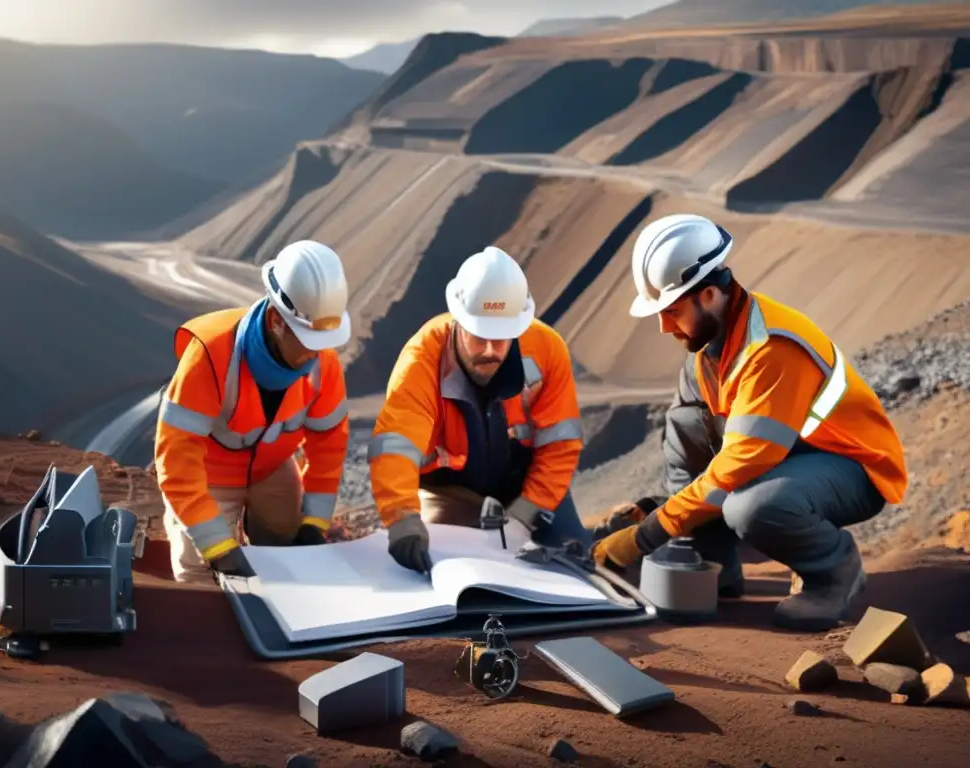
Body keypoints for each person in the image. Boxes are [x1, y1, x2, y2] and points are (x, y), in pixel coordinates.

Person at [591, 213, 908, 631]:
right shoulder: (708, 348)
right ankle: (714, 562)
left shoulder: (771, 348)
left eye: (672, 311)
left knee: (752, 507)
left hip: (851, 466)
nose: (664, 327)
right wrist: (666, 516)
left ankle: (833, 572)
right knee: (686, 424)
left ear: (708, 295)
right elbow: (694, 448)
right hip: (789, 457)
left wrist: (648, 534)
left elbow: (738, 466)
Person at [367, 246, 591, 574]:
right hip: (448, 490)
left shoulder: (547, 350)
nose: (489, 350)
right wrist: (402, 518)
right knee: (438, 568)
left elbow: (560, 445)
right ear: (457, 322)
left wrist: (526, 514)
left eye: (500, 338)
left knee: (574, 563)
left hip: (526, 484)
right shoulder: (421, 360)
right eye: (479, 336)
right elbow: (396, 446)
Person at [154, 240, 351, 583]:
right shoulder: (210, 355)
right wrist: (217, 546)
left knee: (290, 546)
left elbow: (329, 448)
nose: (316, 354)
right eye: (308, 341)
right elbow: (177, 462)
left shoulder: (322, 362)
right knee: (198, 572)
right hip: (209, 473)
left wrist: (314, 523)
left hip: (271, 467)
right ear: (276, 320)